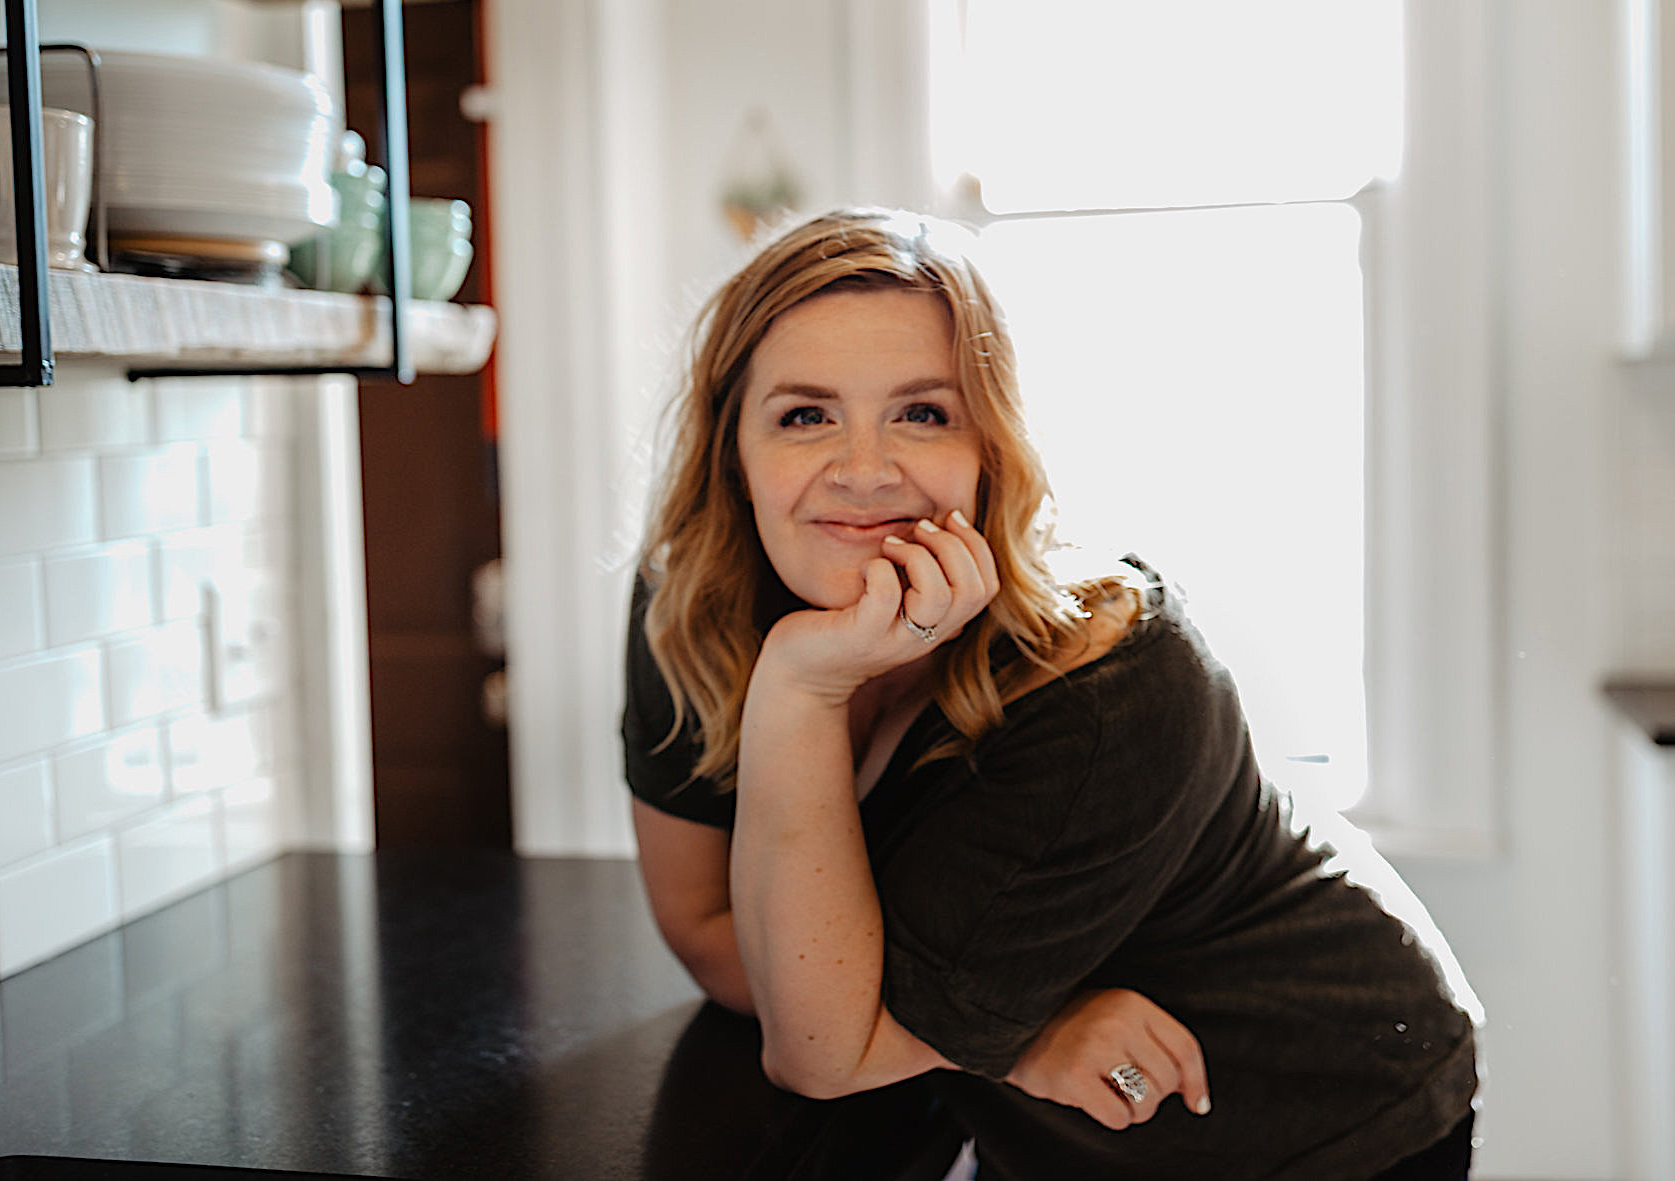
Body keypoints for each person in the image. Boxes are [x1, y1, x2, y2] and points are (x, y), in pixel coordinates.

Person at [622, 208, 1482, 1179]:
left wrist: (801, 691)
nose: (862, 472)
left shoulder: (1110, 686)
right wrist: (1006, 1031)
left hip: (1306, 1104)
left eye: (923, 412)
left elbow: (826, 1050)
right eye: (804, 415)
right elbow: (710, 928)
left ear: (992, 449)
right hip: (1041, 1118)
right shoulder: (690, 607)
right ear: (732, 452)